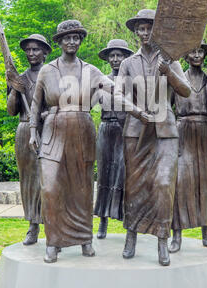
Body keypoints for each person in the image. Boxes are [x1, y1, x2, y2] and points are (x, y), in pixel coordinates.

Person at [29, 20, 113, 263]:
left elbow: (112, 87)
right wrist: (34, 130)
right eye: (67, 37)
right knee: (50, 188)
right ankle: (53, 242)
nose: (72, 41)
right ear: (58, 42)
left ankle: (84, 238)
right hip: (53, 132)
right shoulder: (47, 71)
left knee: (82, 188)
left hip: (82, 132)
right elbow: (36, 104)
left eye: (76, 37)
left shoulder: (91, 70)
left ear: (80, 40)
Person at [115, 9, 191, 266]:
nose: (145, 33)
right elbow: (118, 95)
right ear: (136, 32)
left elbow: (186, 91)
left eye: (150, 28)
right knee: (134, 187)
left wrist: (168, 71)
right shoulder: (128, 63)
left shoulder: (170, 59)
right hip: (136, 132)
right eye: (141, 29)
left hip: (165, 132)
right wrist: (137, 112)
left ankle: (161, 240)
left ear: (157, 30)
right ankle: (131, 236)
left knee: (163, 186)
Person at [169, 44, 207, 253]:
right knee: (180, 184)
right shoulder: (178, 79)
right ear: (185, 56)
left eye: (200, 52)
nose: (196, 55)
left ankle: (206, 231)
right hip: (183, 132)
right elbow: (166, 107)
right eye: (192, 51)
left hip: (206, 133)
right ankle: (177, 235)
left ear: (204, 55)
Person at [7, 34, 52, 245]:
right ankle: (33, 225)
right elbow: (10, 111)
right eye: (28, 50)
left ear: (44, 52)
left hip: (48, 128)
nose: (31, 53)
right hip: (25, 129)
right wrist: (15, 91)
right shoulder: (20, 77)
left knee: (51, 179)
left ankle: (52, 225)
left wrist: (45, 116)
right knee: (28, 180)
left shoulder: (52, 74)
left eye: (35, 49)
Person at [94, 39, 134, 239]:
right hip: (105, 129)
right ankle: (102, 221)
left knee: (124, 175)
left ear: (126, 57)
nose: (116, 59)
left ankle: (128, 223)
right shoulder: (101, 80)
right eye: (112, 55)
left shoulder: (132, 83)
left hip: (124, 130)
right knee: (104, 174)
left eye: (120, 55)